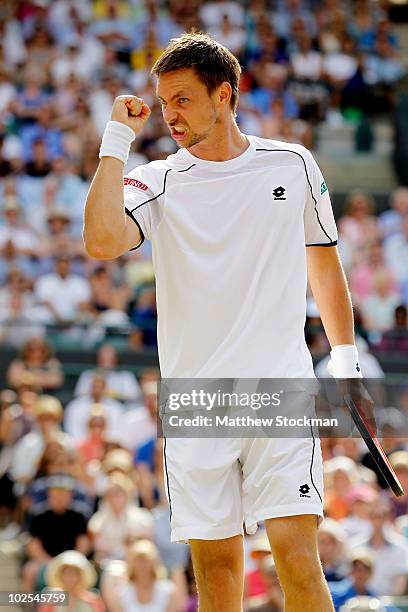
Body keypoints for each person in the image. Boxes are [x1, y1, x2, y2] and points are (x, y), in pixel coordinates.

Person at [84, 32, 366, 611]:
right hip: (195, 403)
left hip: (279, 391)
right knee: (215, 577)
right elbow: (101, 240)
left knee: (298, 563)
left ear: (225, 94)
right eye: (164, 102)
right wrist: (117, 139)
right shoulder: (155, 179)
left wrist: (345, 362)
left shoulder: (292, 163)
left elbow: (323, 261)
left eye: (183, 99)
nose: (170, 115)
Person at [40, 550, 105, 612]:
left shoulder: (93, 600)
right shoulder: (51, 600)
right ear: (60, 576)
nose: (71, 578)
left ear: (81, 576)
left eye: (75, 574)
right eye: (67, 573)